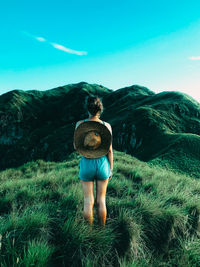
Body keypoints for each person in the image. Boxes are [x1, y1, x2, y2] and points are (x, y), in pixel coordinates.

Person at [73, 96, 113, 226]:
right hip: (102, 163)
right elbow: (110, 150)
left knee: (87, 201)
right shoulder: (106, 126)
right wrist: (110, 169)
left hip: (87, 163)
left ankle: (89, 232)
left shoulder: (80, 124)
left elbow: (76, 146)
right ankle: (101, 231)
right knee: (101, 200)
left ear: (88, 109)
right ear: (100, 110)